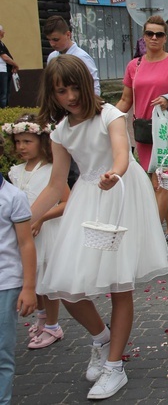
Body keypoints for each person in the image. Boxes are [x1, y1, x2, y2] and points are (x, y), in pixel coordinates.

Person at [31, 54, 168, 400]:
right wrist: (27, 218)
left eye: (75, 87)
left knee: (119, 285)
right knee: (63, 287)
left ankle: (114, 367)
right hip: (86, 200)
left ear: (86, 84)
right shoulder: (60, 132)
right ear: (53, 94)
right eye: (61, 91)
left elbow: (121, 153)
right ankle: (102, 336)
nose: (70, 96)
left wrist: (115, 173)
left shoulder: (109, 114)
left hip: (121, 194)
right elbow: (54, 184)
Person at [116, 15, 168, 242]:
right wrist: (107, 117)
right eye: (150, 33)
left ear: (165, 38)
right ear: (144, 37)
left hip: (166, 132)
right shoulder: (134, 65)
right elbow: (126, 99)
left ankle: (151, 236)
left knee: (162, 182)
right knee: (154, 181)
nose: (154, 38)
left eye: (159, 34)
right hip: (143, 130)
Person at [4, 115, 68, 350]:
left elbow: (65, 202)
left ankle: (53, 325)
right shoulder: (15, 172)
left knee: (47, 284)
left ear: (42, 142)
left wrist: (42, 218)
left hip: (47, 234)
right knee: (34, 279)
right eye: (18, 142)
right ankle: (42, 317)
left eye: (27, 141)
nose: (21, 147)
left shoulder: (52, 171)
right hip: (25, 236)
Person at [0, 134, 36, 404]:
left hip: (6, 283)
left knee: (2, 352)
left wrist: (28, 287)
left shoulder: (13, 197)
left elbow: (25, 244)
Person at [43, 15, 101, 95]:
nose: (52, 44)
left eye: (55, 39)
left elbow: (94, 86)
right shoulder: (52, 57)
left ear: (68, 35)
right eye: (49, 40)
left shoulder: (81, 57)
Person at [0, 25, 19, 108]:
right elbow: (5, 57)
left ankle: (6, 109)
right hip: (1, 71)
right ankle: (3, 110)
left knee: (6, 92)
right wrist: (15, 64)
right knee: (3, 93)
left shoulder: (1, 43)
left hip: (6, 71)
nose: (4, 32)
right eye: (3, 30)